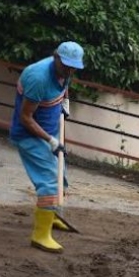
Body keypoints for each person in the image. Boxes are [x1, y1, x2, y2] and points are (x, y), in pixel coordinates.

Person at [9, 41, 84, 253]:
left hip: (51, 129)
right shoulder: (38, 78)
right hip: (30, 135)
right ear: (56, 57)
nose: (70, 71)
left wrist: (65, 105)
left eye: (74, 67)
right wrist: (51, 141)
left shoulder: (67, 71)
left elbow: (64, 86)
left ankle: (52, 215)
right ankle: (40, 236)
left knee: (62, 177)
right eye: (66, 66)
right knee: (50, 182)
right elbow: (25, 117)